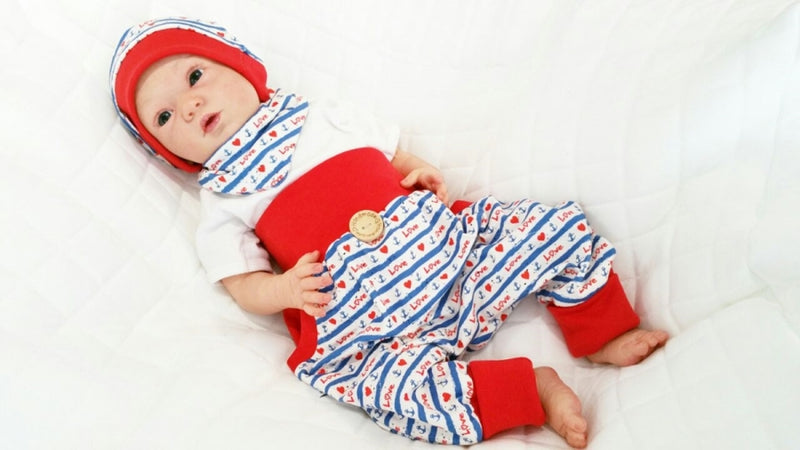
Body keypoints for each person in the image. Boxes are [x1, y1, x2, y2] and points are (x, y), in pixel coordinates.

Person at [110, 17, 668, 448]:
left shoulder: (323, 118)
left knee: (549, 231)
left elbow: (395, 157)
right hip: (374, 330)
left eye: (195, 76)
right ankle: (531, 392)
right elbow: (243, 285)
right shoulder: (223, 201)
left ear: (241, 67)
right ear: (167, 153)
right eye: (164, 118)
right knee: (395, 395)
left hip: (452, 256)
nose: (189, 106)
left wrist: (421, 172)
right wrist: (282, 290)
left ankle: (601, 331)